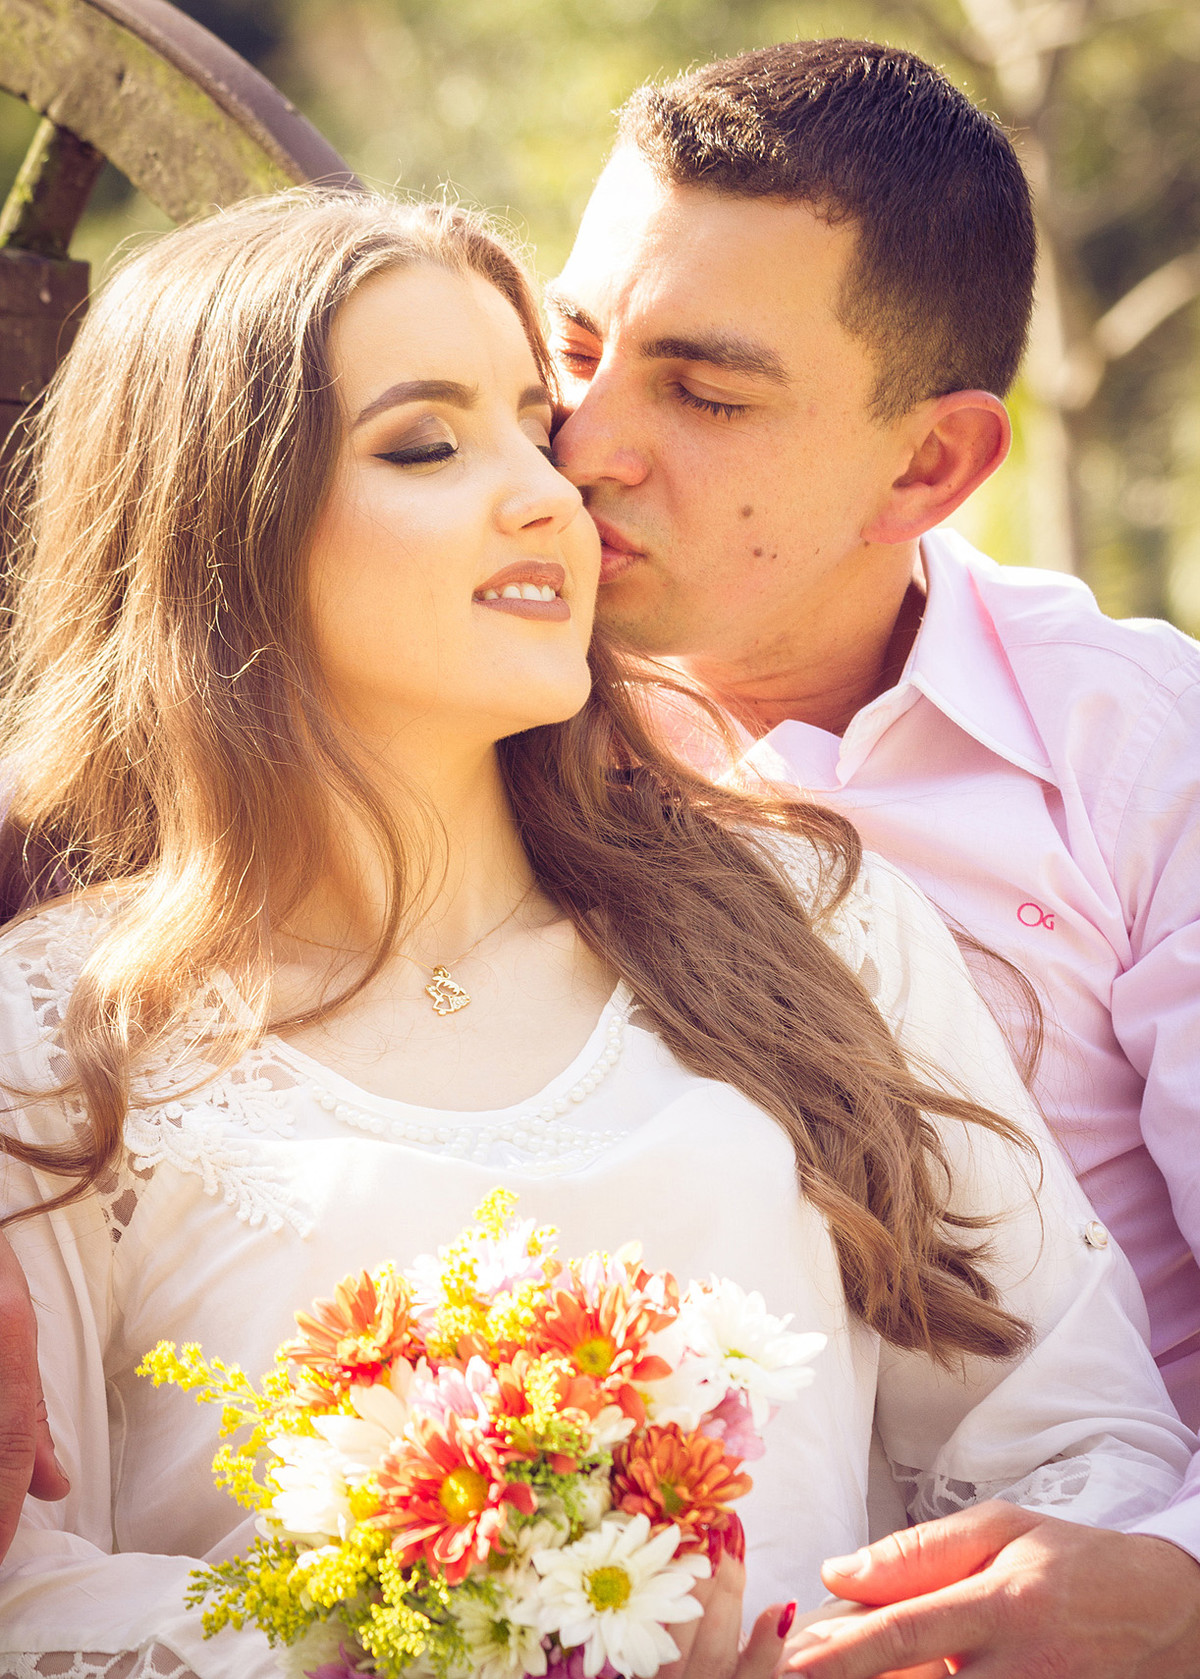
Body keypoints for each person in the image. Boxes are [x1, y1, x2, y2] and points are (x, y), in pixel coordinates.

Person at [0, 188, 1191, 1679]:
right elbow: (24, 1590)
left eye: (529, 422)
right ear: (215, 524)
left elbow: (1079, 1442)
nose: (553, 496)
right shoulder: (54, 1035)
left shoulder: (816, 920)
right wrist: (412, 1638)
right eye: (427, 445)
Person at [541, 36, 1200, 1679]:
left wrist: (1177, 1591)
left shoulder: (1143, 754)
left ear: (931, 466)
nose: (587, 440)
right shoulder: (457, 702)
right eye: (574, 343)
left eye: (705, 392)